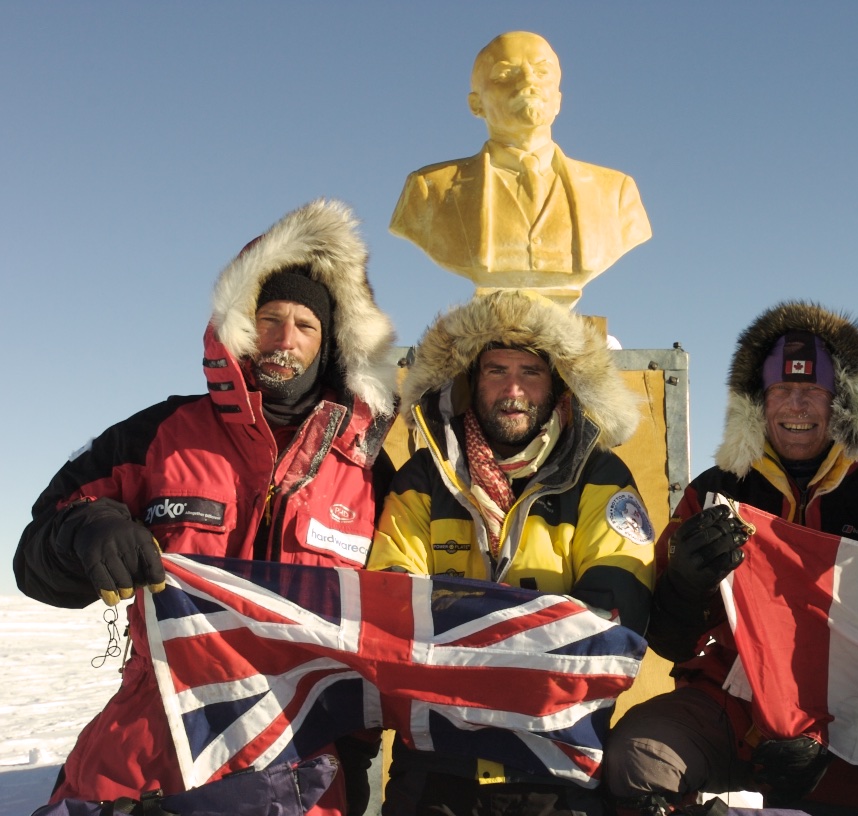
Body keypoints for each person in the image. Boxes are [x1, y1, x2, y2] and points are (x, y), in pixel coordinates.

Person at [14, 199, 400, 815]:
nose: (285, 339)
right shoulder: (159, 434)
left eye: (306, 326)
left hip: (306, 761)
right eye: (270, 319)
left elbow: (399, 624)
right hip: (152, 743)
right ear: (240, 326)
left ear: (330, 345)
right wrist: (89, 530)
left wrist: (356, 756)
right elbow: (35, 556)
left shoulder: (371, 475)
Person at [603, 301, 858, 816]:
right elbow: (669, 642)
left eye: (814, 390)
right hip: (730, 698)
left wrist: (827, 732)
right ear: (756, 401)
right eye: (780, 390)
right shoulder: (715, 490)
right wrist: (686, 583)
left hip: (853, 713)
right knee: (635, 759)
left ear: (843, 402)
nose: (796, 405)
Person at [368, 288, 656, 815]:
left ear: (558, 383)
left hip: (559, 762)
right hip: (436, 766)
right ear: (469, 381)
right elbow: (391, 611)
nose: (513, 389)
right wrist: (534, 631)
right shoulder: (421, 480)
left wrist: (460, 631)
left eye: (531, 372)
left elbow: (614, 621)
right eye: (496, 371)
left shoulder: (600, 477)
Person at [389, 30, 652, 305]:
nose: (528, 81)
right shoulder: (428, 189)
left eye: (542, 72)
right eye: (506, 74)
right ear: (476, 104)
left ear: (558, 100)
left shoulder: (617, 193)